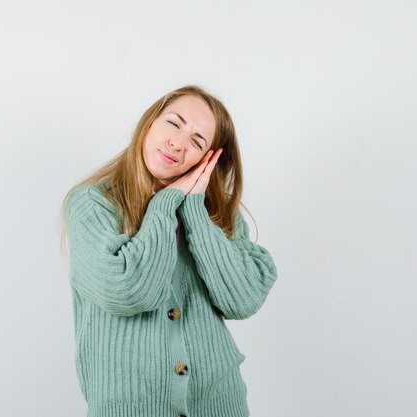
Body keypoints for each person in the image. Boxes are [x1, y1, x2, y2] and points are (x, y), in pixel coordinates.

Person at [59, 84, 278, 417]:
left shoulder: (218, 213)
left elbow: (243, 299)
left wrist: (193, 209)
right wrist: (163, 205)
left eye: (197, 141)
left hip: (220, 404)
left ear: (209, 158)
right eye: (174, 123)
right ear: (150, 123)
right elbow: (129, 291)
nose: (178, 143)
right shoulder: (93, 205)